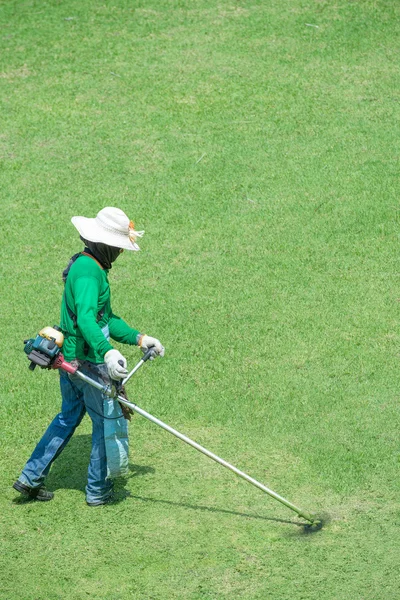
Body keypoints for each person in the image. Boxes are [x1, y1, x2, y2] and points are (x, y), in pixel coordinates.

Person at [13, 207, 164, 506]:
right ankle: (97, 491)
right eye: (118, 247)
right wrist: (107, 352)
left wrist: (140, 338)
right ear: (104, 244)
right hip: (86, 361)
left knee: (68, 417)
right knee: (105, 420)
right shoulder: (88, 274)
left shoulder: (90, 267)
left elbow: (105, 318)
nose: (120, 253)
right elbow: (85, 319)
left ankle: (30, 478)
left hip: (71, 359)